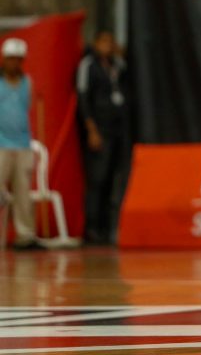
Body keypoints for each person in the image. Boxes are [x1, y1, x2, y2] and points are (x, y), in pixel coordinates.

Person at [76, 31, 130, 244]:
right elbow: (82, 97)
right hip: (100, 130)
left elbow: (127, 69)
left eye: (110, 41)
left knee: (113, 179)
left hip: (118, 130)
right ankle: (92, 227)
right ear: (95, 43)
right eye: (104, 41)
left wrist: (118, 53)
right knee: (97, 179)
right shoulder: (88, 65)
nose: (108, 45)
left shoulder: (116, 65)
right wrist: (91, 129)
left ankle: (109, 228)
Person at [0, 38, 41, 250]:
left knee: (23, 192)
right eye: (10, 59)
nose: (14, 63)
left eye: (18, 59)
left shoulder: (28, 83)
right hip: (1, 145)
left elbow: (28, 107)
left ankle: (25, 236)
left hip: (23, 144)